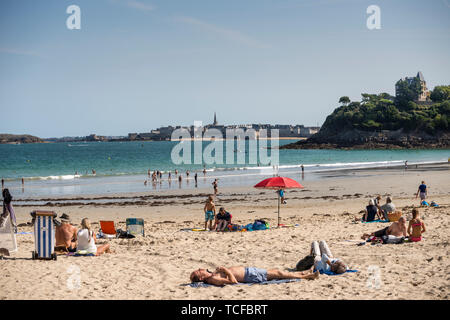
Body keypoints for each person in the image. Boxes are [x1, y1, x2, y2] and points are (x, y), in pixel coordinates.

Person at [190, 265, 319, 286]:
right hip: (250, 276)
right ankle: (307, 276)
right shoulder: (213, 279)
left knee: (277, 271)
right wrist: (225, 270)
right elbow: (234, 282)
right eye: (198, 271)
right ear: (201, 277)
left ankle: (303, 272)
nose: (200, 268)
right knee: (279, 274)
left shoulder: (211, 274)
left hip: (250, 271)